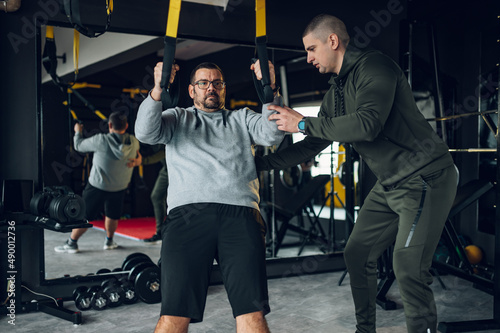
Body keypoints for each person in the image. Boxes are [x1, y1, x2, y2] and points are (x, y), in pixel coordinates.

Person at [257, 14, 458, 333]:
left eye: (311, 49)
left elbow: (367, 124)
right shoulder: (334, 94)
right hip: (391, 184)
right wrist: (257, 166)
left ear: (332, 42)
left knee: (407, 267)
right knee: (357, 253)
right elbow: (310, 146)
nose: (308, 57)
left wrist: (303, 122)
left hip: (425, 177)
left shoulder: (374, 67)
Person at [134, 60, 284, 333]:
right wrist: (157, 89)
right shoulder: (177, 118)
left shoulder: (242, 118)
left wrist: (269, 90)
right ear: (192, 91)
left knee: (252, 313)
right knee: (173, 315)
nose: (211, 88)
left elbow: (273, 134)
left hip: (240, 216)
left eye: (217, 83)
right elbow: (145, 132)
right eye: (203, 83)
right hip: (187, 219)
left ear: (224, 89)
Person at [55, 111, 142, 253]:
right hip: (119, 186)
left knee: (84, 216)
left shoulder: (101, 140)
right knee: (112, 215)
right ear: (126, 126)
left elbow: (78, 146)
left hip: (98, 186)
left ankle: (72, 243)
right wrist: (138, 161)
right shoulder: (134, 141)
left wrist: (78, 131)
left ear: (109, 125)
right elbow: (138, 156)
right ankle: (109, 241)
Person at [140, 146, 168, 244]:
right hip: (166, 169)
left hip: (180, 168)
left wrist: (143, 161)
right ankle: (160, 232)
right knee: (156, 196)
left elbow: (164, 151)